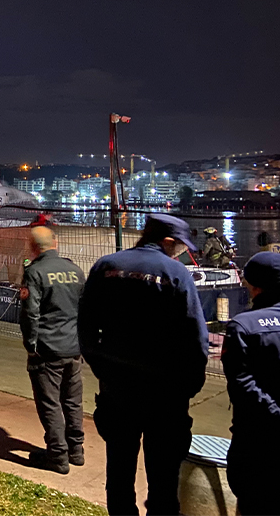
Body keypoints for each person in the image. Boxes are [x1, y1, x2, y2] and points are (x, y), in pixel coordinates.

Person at [78, 214, 208, 515]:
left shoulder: (106, 267)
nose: (179, 252)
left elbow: (85, 326)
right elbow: (196, 336)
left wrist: (102, 368)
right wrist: (190, 383)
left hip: (117, 389)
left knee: (119, 470)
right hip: (165, 393)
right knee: (164, 477)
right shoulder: (176, 273)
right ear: (168, 241)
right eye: (179, 246)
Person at [19, 226, 85, 474]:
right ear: (55, 243)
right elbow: (84, 309)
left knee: (50, 404)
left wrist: (31, 345)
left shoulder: (34, 273)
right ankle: (76, 450)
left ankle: (57, 455)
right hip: (73, 348)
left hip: (47, 349)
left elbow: (30, 313)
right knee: (72, 401)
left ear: (33, 247)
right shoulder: (75, 271)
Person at [221, 252, 280, 515]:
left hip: (256, 441)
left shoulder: (243, 325)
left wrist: (274, 412)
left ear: (254, 286)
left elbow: (241, 383)